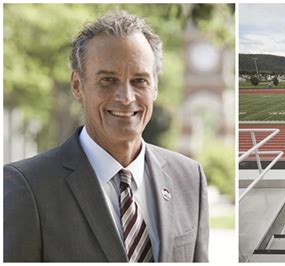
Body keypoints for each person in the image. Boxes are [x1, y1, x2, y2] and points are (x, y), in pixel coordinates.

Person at [4, 10, 209, 262]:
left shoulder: (189, 178)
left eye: (139, 81)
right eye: (108, 80)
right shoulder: (28, 186)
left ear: (154, 86)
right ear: (77, 85)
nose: (126, 97)